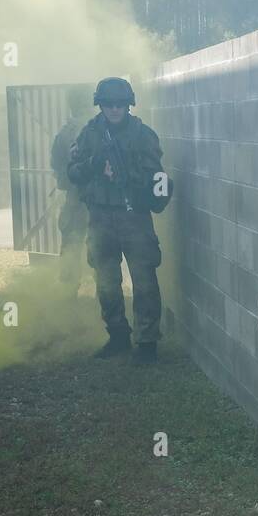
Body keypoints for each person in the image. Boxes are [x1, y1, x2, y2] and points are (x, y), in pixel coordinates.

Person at [67, 77, 171, 363]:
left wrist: (127, 177)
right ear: (100, 105)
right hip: (100, 217)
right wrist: (94, 165)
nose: (114, 110)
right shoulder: (89, 134)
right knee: (106, 282)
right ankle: (118, 335)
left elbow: (156, 178)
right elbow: (72, 173)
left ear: (128, 105)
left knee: (144, 282)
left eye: (120, 104)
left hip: (134, 216)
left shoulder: (143, 135)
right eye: (108, 104)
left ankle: (147, 342)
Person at [51, 86, 92, 282]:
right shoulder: (95, 129)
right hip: (94, 201)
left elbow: (56, 165)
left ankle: (68, 295)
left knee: (71, 248)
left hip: (74, 199)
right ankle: (103, 300)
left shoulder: (65, 132)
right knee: (100, 250)